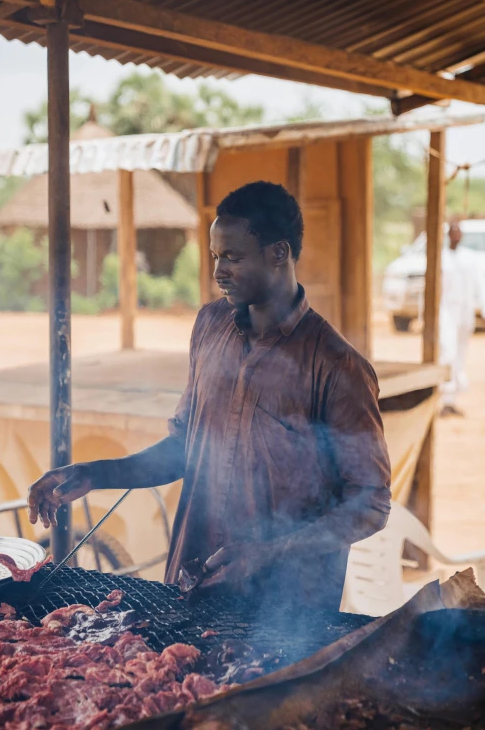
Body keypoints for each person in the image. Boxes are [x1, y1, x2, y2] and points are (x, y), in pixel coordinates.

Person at [28, 181, 391, 610]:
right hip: (192, 583)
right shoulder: (209, 326)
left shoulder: (336, 366)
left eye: (234, 258)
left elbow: (370, 503)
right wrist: (97, 474)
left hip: (286, 610)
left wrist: (267, 552)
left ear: (279, 253)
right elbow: (186, 448)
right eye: (216, 255)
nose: (218, 271)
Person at [439, 220, 485, 417]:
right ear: (448, 234)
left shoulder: (470, 259)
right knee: (447, 352)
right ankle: (445, 395)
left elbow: (479, 287)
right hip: (446, 311)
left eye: (459, 232)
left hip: (465, 313)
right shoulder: (440, 258)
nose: (456, 236)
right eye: (453, 232)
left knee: (460, 353)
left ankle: (451, 400)